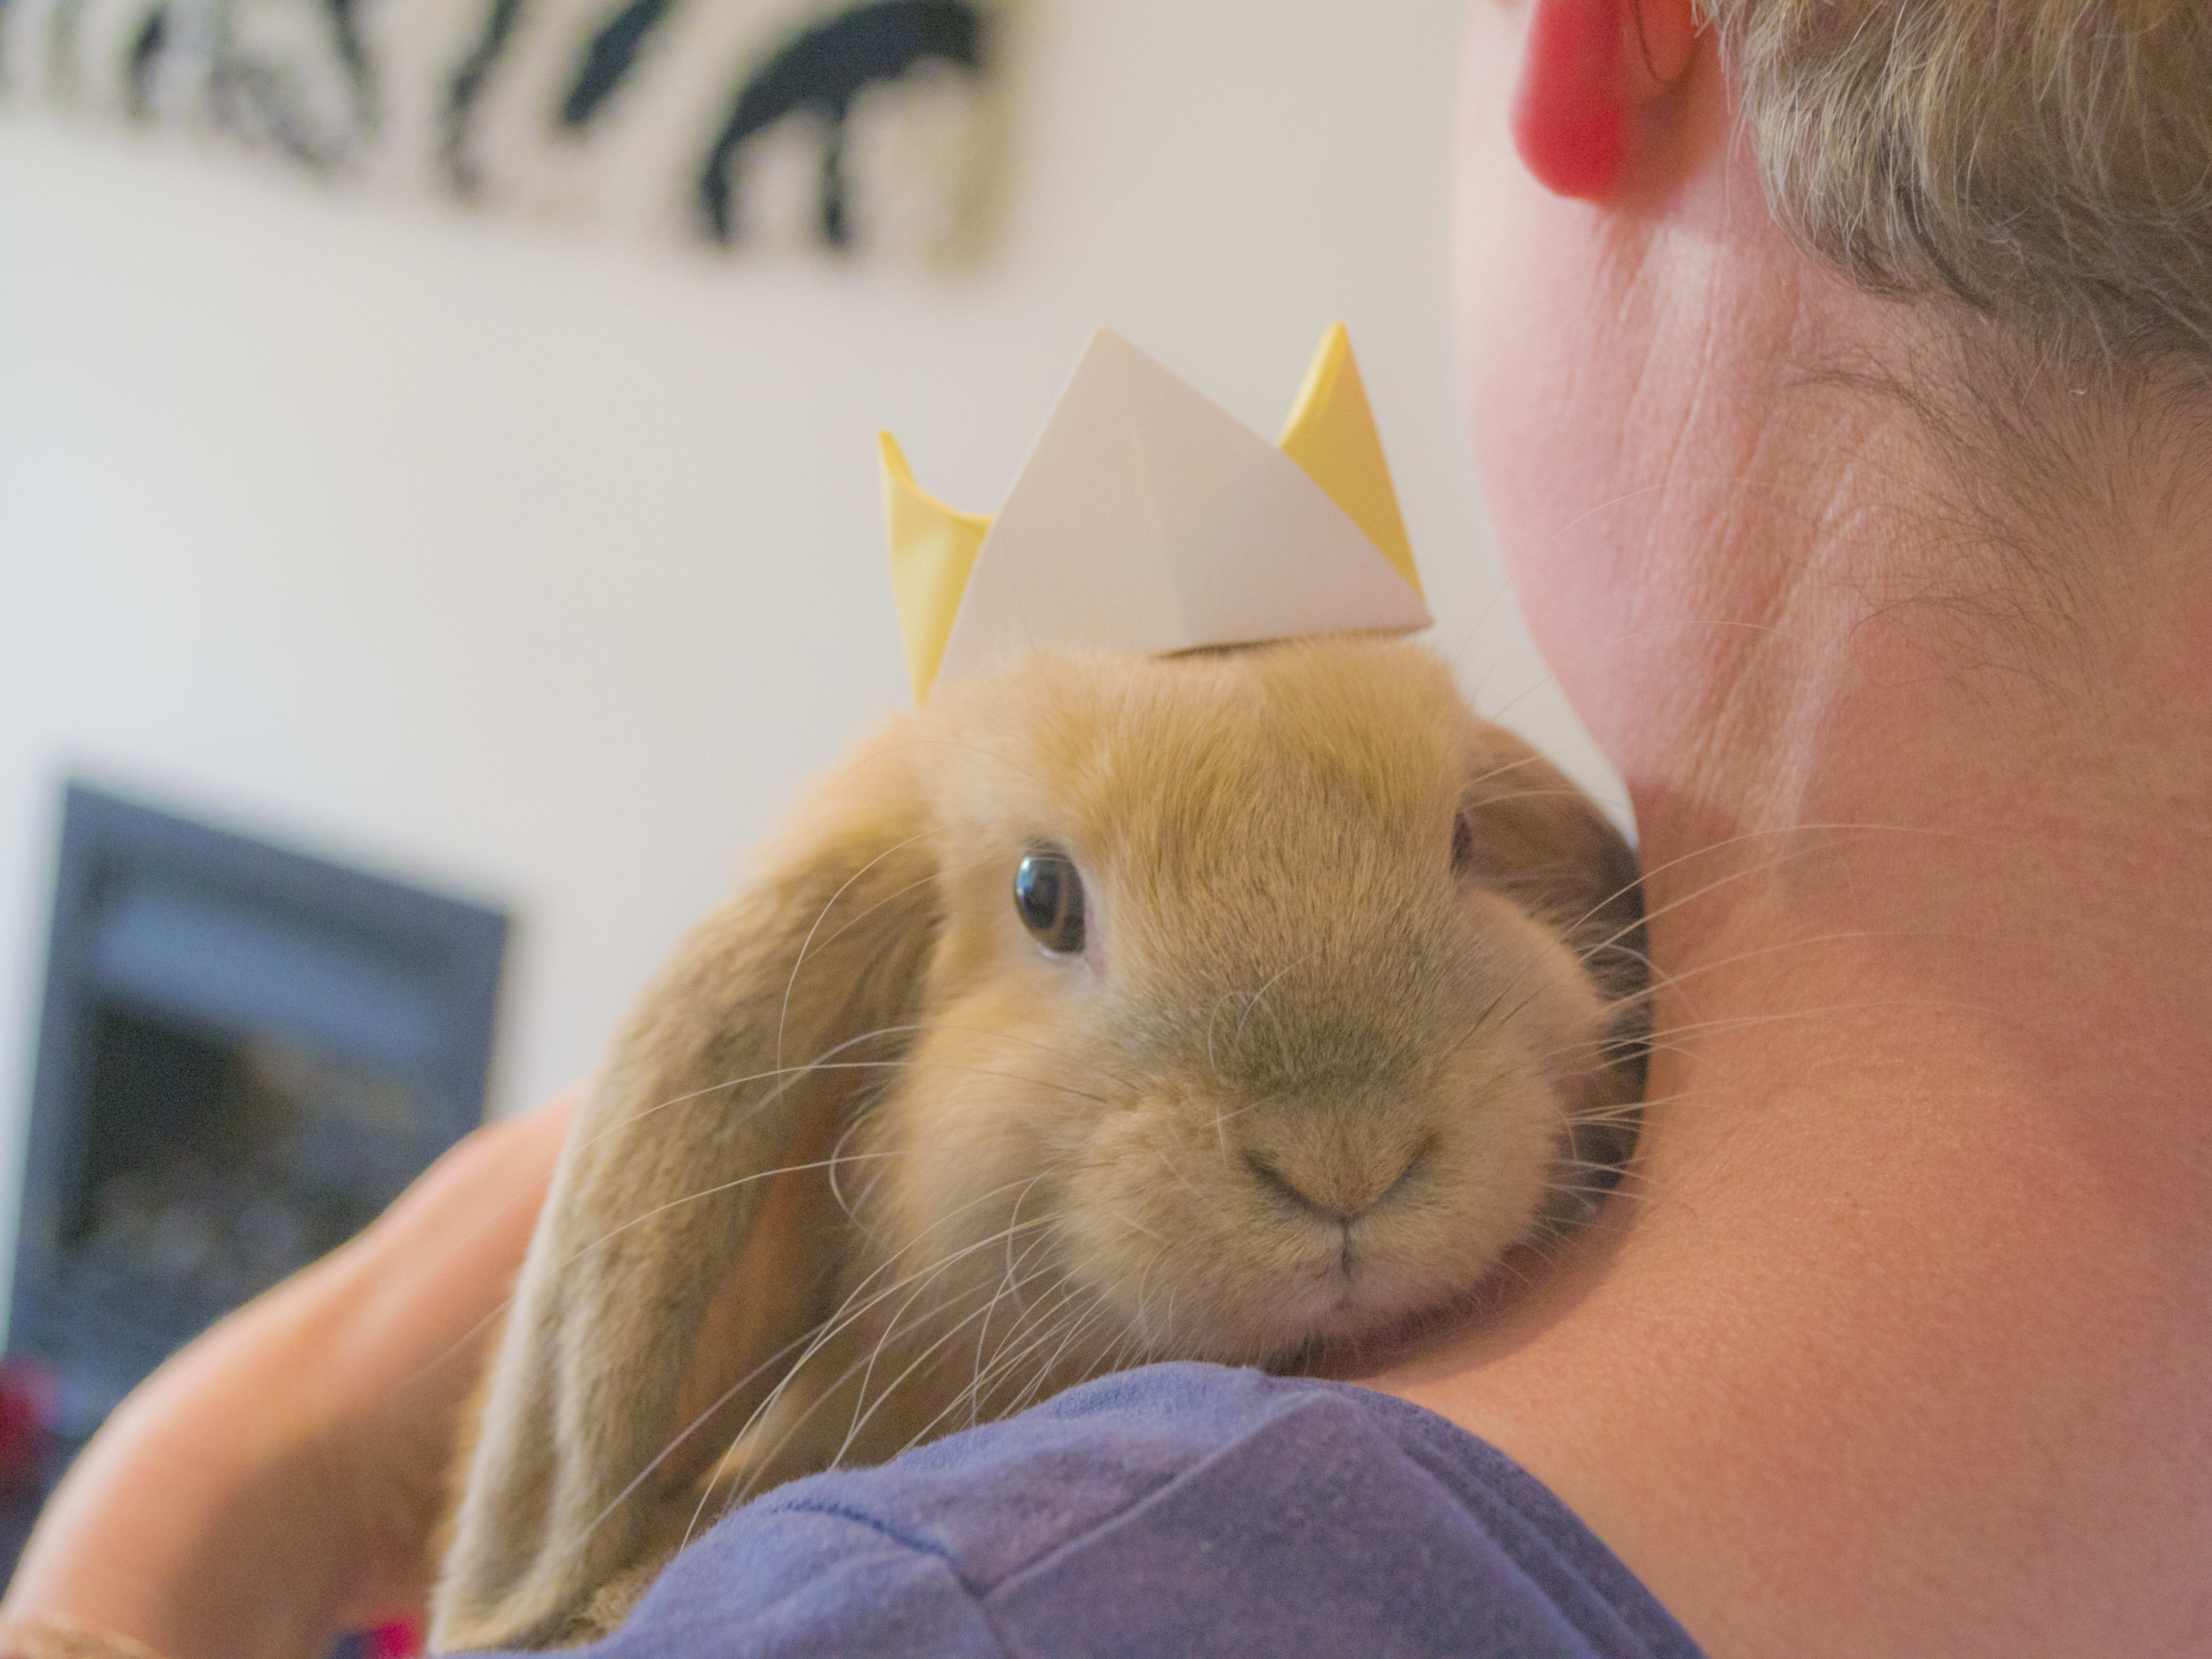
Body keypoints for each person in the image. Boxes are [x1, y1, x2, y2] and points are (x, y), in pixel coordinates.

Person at [8, 0, 2210, 1653]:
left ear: (1598, 43)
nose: (1335, 1142)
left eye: (1451, 850)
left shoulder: (955, 1611)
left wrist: (213, 1482)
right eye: (1057, 904)